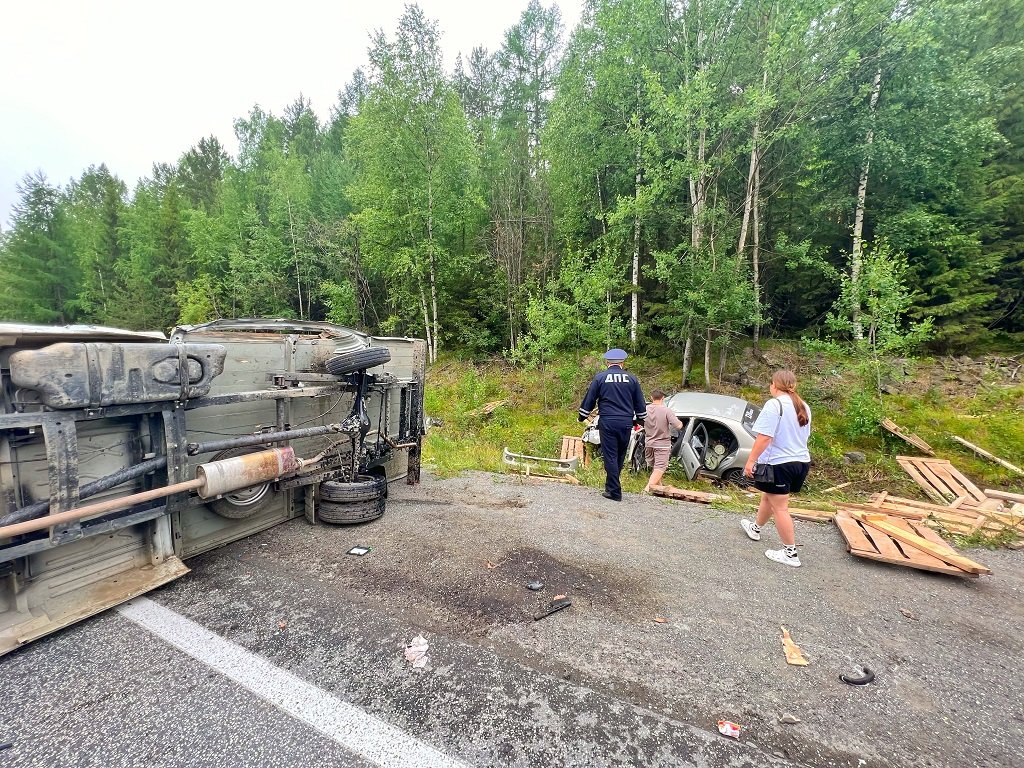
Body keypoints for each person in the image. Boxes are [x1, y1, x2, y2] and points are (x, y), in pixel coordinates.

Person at [740, 369, 812, 567]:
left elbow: (765, 437)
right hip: (801, 462)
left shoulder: (774, 405)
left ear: (774, 385)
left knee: (780, 507)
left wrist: (751, 461)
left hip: (780, 463)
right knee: (769, 496)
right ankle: (755, 528)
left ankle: (790, 553)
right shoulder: (803, 405)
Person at [578, 349, 647, 501]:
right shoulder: (632, 379)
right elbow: (640, 403)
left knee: (609, 455)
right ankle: (610, 488)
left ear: (607, 362)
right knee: (620, 455)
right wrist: (641, 420)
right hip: (626, 422)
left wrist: (582, 415)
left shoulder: (600, 378)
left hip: (608, 421)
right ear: (622, 362)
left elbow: (590, 398)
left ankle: (615, 491)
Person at [642, 389, 683, 494]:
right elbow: (678, 426)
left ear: (651, 398)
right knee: (660, 467)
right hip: (662, 445)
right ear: (663, 398)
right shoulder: (666, 410)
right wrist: (680, 423)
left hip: (649, 443)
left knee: (655, 467)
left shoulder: (645, 409)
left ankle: (659, 488)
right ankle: (647, 489)